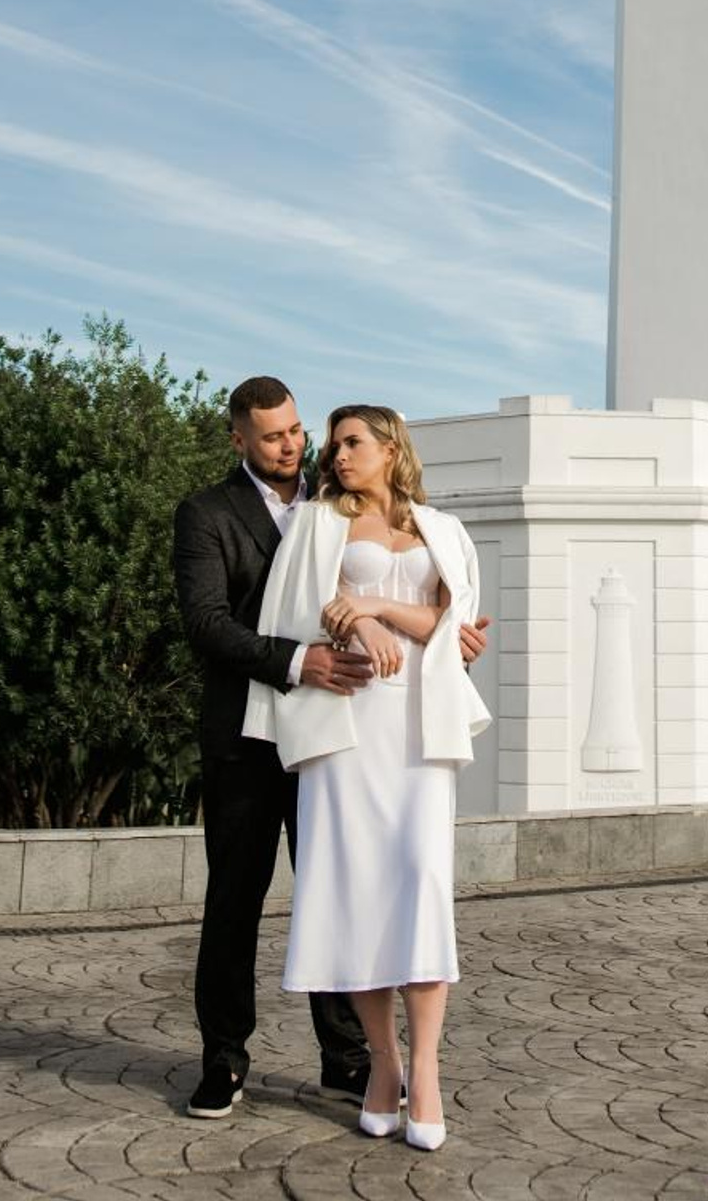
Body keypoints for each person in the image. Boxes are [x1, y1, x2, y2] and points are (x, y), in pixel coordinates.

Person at [245, 404, 492, 1153]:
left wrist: (379, 604)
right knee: (354, 896)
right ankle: (383, 1068)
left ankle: (430, 1070)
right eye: (333, 445)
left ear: (390, 448)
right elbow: (300, 607)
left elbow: (458, 628)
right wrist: (356, 623)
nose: (337, 455)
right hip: (345, 730)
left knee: (420, 884)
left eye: (352, 442)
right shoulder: (318, 524)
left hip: (419, 728)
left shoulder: (442, 530)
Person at [172, 376, 375, 1119]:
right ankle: (223, 1061)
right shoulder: (205, 514)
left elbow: (390, 586)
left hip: (326, 737)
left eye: (294, 430)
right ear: (237, 440)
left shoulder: (342, 504)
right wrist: (297, 661)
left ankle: (346, 1062)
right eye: (271, 436)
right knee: (234, 905)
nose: (291, 445)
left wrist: (448, 638)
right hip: (241, 743)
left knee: (333, 898)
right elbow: (205, 624)